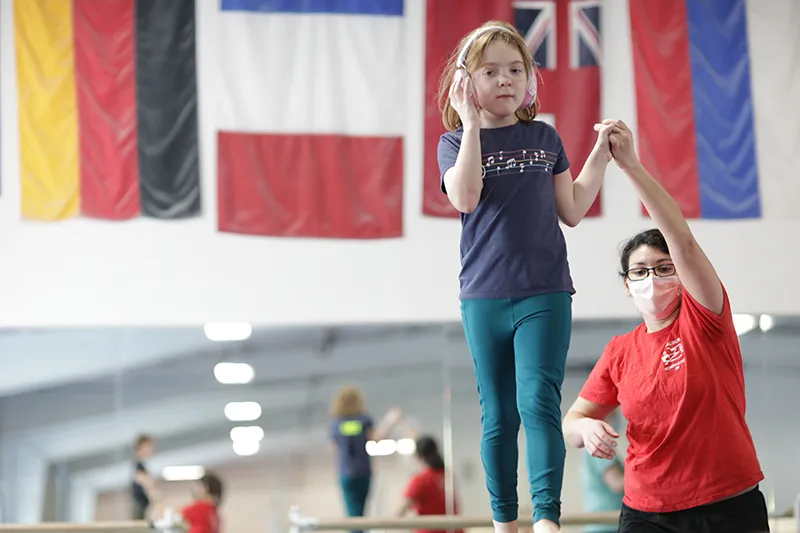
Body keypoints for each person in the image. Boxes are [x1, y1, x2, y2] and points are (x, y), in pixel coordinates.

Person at [436, 20, 615, 533]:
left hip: (545, 291)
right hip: (484, 295)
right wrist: (471, 125)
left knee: (537, 400)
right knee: (498, 414)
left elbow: (574, 208)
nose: (505, 80)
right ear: (467, 83)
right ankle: (503, 521)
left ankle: (546, 519)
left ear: (531, 79)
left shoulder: (545, 137)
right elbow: (465, 197)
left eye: (516, 69)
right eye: (489, 72)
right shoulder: (453, 143)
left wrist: (598, 157)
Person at [562, 119, 769, 533]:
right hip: (646, 512)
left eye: (663, 267)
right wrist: (584, 428)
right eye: (640, 271)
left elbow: (683, 239)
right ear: (626, 286)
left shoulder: (705, 318)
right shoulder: (620, 351)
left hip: (727, 506)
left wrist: (631, 167)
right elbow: (571, 422)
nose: (652, 278)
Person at [329, 385, 401, 532]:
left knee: (352, 514)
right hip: (363, 472)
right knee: (361, 513)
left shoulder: (336, 424)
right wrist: (390, 420)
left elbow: (334, 446)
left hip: (346, 473)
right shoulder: (363, 420)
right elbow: (378, 437)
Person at [397, 435, 464, 533]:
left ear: (419, 456)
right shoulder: (447, 476)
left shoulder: (421, 480)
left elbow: (400, 512)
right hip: (455, 530)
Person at [580, 410, 624, 533]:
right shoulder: (599, 445)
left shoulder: (591, 446)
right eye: (613, 416)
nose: (616, 420)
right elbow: (616, 483)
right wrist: (643, 473)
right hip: (607, 523)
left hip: (603, 523)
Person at [131, 434, 157, 519]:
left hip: (143, 505)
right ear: (141, 446)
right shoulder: (138, 465)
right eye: (148, 446)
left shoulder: (142, 465)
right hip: (139, 505)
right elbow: (147, 484)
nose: (151, 449)